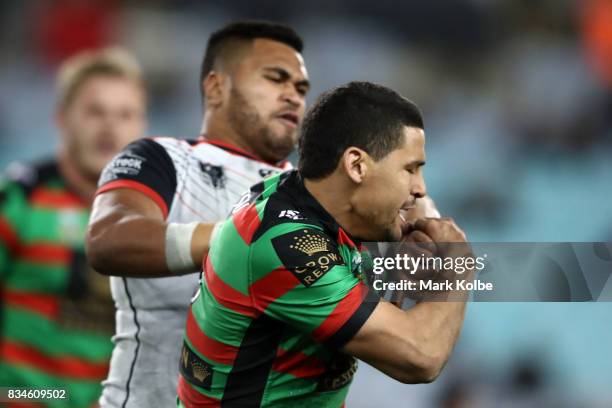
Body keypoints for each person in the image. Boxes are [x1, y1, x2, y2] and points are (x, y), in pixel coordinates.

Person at [178, 82, 470, 407]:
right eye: (410, 169)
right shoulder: (285, 246)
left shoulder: (312, 197)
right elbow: (421, 356)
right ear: (357, 166)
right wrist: (460, 266)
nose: (420, 186)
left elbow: (419, 202)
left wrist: (422, 217)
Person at [86, 21, 310, 408]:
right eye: (277, 78)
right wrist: (241, 240)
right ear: (216, 86)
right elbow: (107, 240)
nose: (293, 95)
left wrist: (444, 262)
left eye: (301, 88)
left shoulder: (315, 195)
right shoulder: (162, 159)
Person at [0, 47, 146, 407]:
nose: (110, 126)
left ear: (142, 127)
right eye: (95, 111)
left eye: (125, 114)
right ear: (62, 118)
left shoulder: (157, 220)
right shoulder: (19, 201)